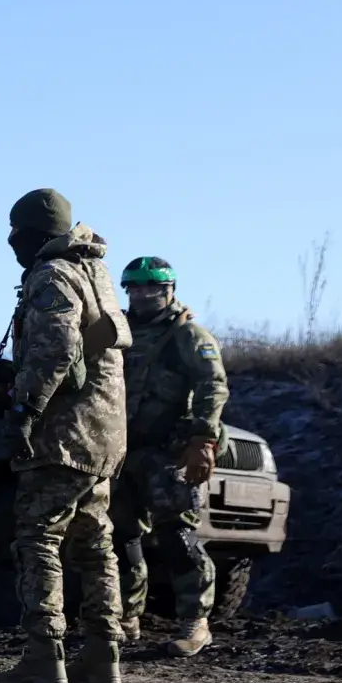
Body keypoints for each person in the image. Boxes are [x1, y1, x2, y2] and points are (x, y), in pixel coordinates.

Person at [0, 188, 132, 683]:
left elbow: (55, 349)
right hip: (103, 434)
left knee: (39, 538)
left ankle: (44, 655)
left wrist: (23, 411)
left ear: (33, 234)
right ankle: (102, 655)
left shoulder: (52, 274)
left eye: (16, 234)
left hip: (63, 435)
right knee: (95, 544)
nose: (11, 243)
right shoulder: (94, 271)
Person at [113, 256, 229, 658]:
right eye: (136, 288)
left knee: (178, 537)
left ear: (170, 290)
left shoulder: (187, 335)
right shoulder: (120, 332)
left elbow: (213, 386)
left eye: (153, 288)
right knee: (120, 537)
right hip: (124, 450)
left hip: (170, 451)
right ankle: (126, 619)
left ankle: (195, 622)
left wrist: (203, 440)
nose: (144, 295)